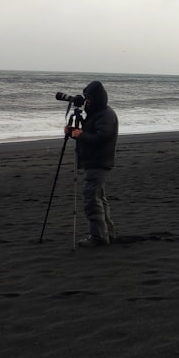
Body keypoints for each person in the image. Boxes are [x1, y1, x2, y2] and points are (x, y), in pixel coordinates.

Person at [65, 80, 118, 247]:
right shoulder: (97, 113)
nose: (86, 101)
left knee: (92, 200)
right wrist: (74, 133)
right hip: (95, 161)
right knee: (99, 198)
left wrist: (80, 135)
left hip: (99, 162)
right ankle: (107, 233)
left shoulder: (106, 115)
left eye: (89, 99)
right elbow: (89, 134)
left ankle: (99, 237)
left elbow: (101, 138)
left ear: (97, 98)